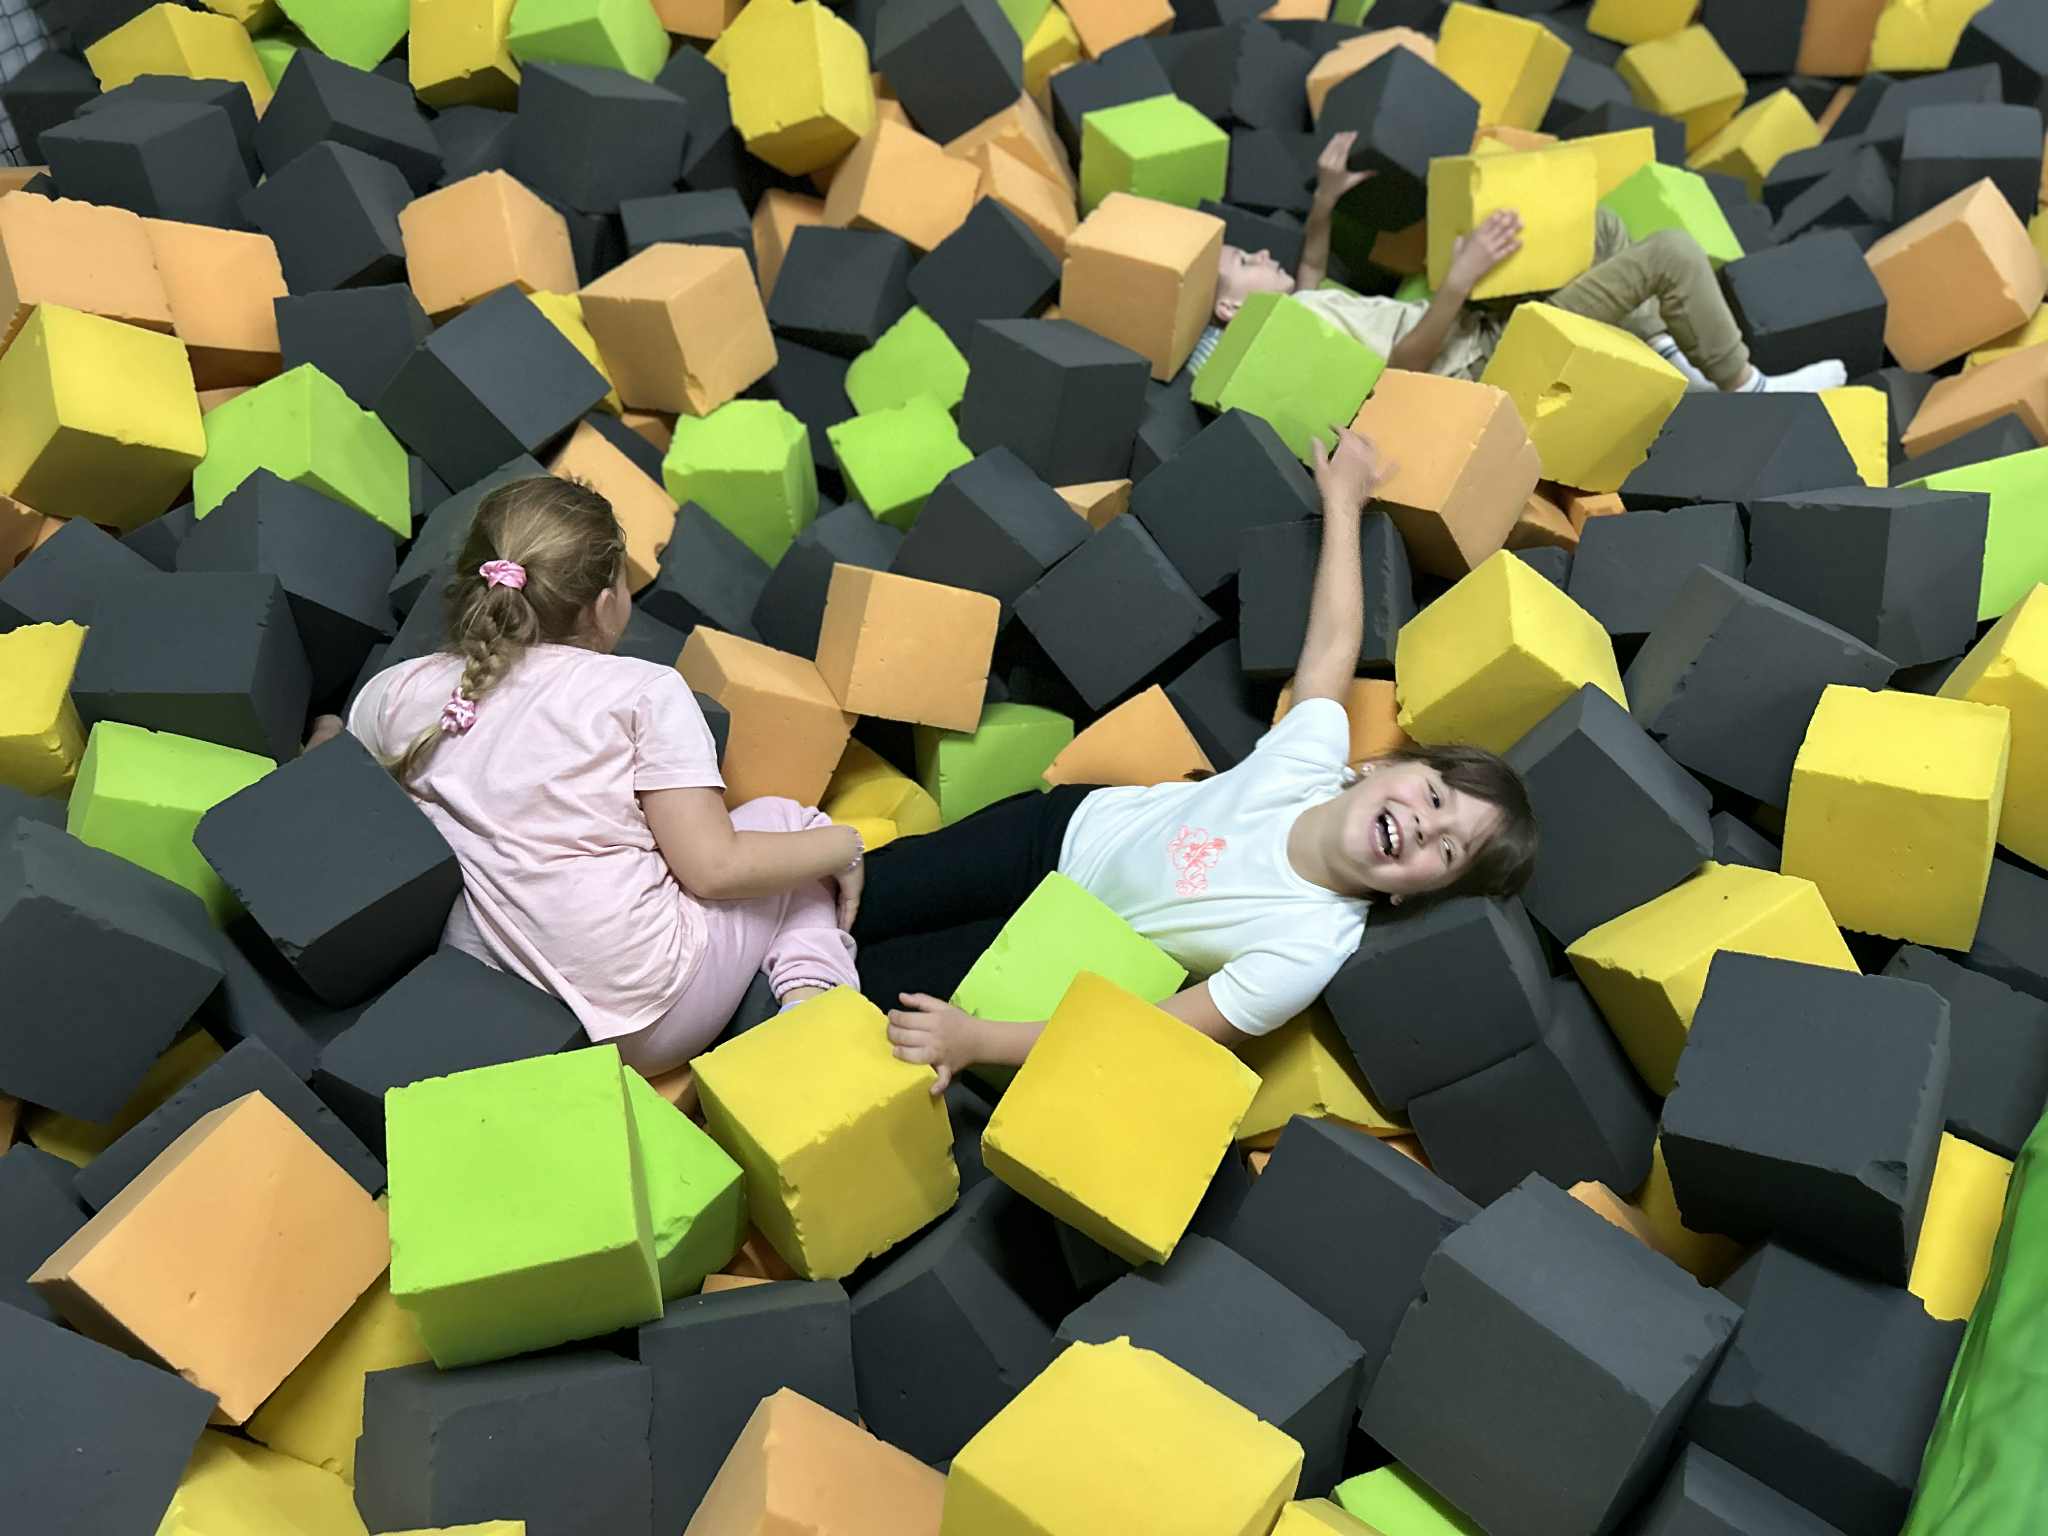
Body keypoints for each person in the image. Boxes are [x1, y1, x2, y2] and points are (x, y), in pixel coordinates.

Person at [869, 427, 1540, 1094]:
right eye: (1434, 796)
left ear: (1409, 894)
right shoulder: (1309, 763)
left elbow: (1149, 1028)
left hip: (1058, 946)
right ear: (1381, 768)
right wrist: (1344, 503)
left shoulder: (1307, 949)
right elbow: (1336, 641)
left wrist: (978, 1039)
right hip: (1054, 835)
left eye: (1447, 850)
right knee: (872, 889)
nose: (1425, 825)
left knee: (877, 987)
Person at [334, 476, 864, 1076]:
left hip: (505, 1021)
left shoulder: (396, 691)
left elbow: (333, 777)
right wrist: (843, 846)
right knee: (791, 824)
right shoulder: (644, 691)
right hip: (647, 1016)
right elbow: (715, 869)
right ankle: (811, 1004)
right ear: (605, 601)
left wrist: (326, 727)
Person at [1198, 129, 1847, 395]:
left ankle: (1671, 355)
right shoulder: (1302, 337)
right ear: (1229, 307)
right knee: (1672, 253)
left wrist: (1325, 196)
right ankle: (1750, 391)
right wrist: (1460, 278)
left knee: (1596, 225)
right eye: (1245, 260)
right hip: (1491, 362)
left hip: (1482, 327)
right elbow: (1399, 374)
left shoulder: (1300, 308)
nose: (1262, 251)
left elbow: (1311, 266)